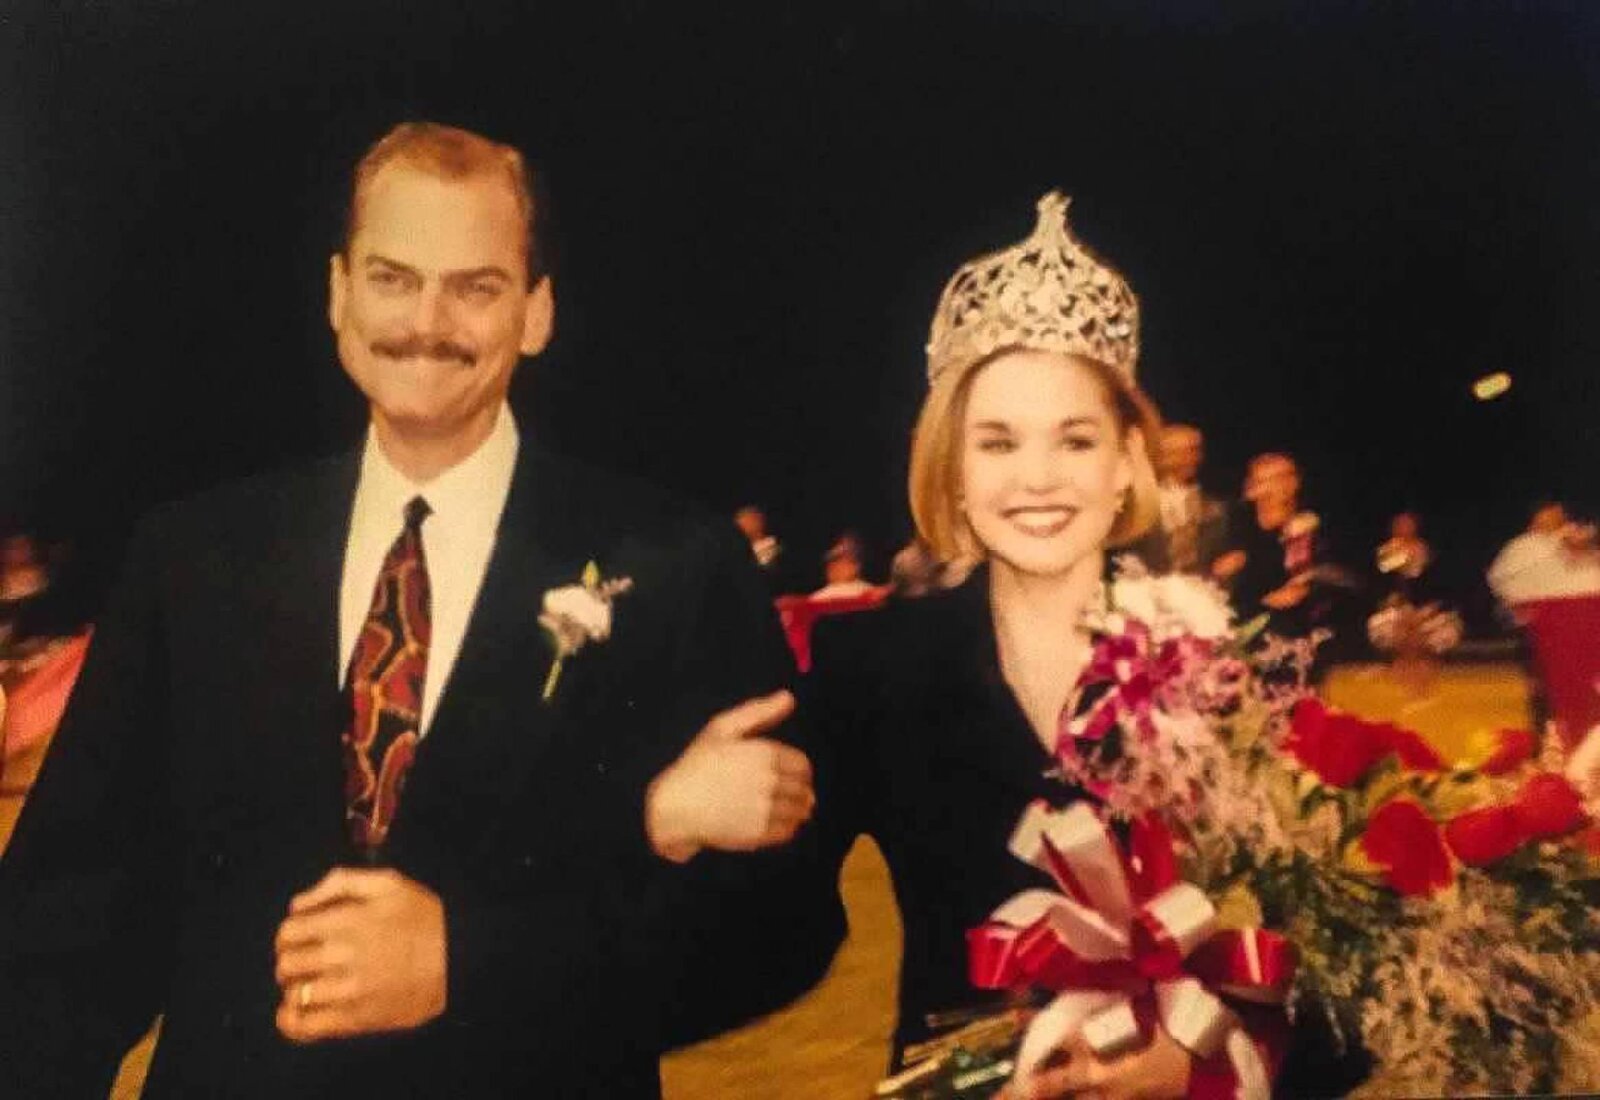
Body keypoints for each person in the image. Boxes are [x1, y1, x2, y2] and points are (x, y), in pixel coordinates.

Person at [0, 121, 827, 1098]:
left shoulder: (677, 564)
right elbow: (68, 927)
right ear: (338, 294)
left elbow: (779, 927)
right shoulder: (193, 559)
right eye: (393, 277)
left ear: (537, 312)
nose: (426, 321)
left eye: (474, 286)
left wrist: (473, 961)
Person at [1131, 423, 1230, 578]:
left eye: (1192, 451)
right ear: (1159, 456)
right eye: (1175, 452)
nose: (1186, 459)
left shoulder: (1217, 509)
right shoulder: (1135, 504)